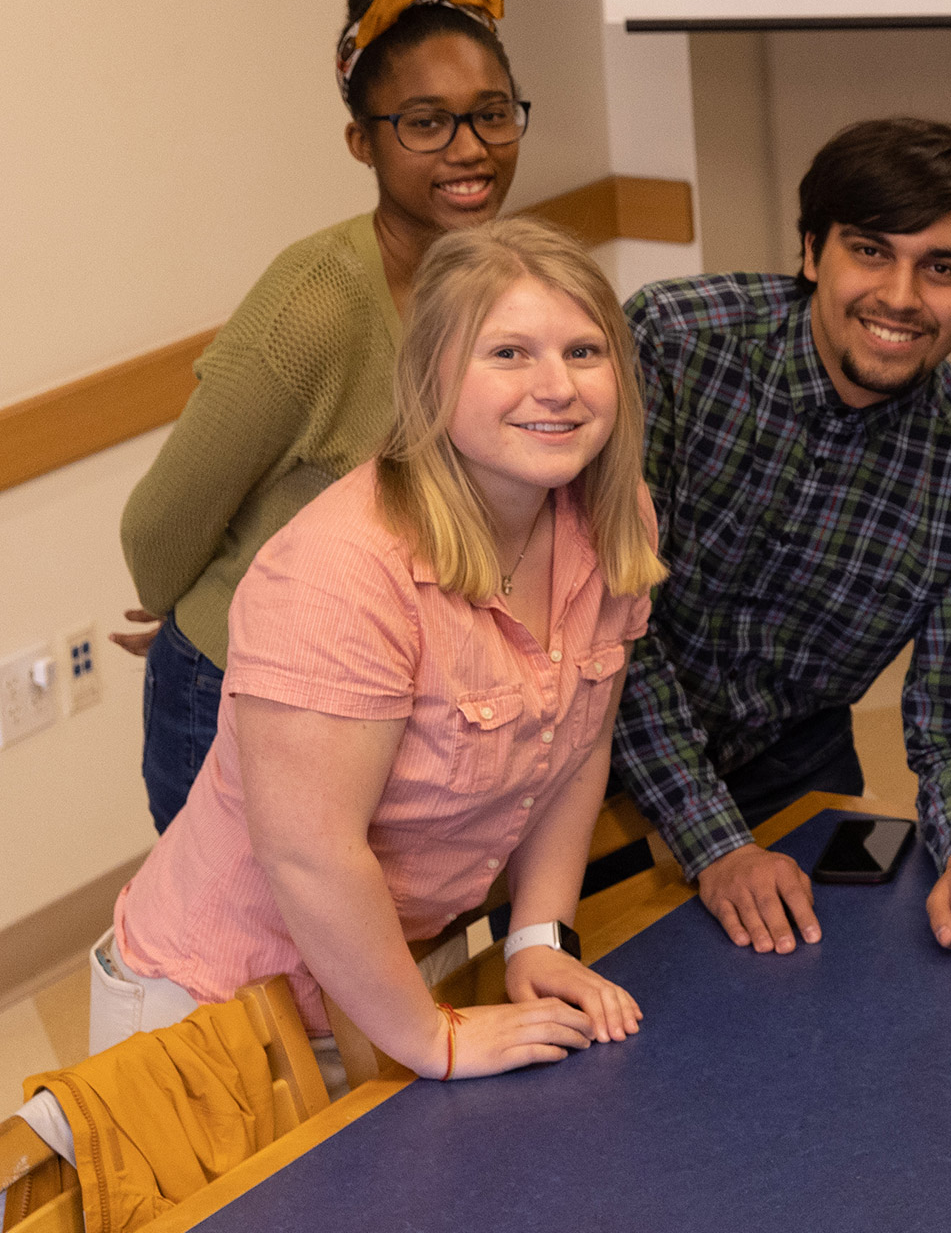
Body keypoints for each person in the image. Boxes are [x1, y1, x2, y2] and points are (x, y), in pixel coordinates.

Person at [92, 219, 653, 1082]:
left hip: (392, 977)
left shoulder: (612, 519)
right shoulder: (340, 572)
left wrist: (539, 932)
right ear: (431, 375)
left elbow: (573, 744)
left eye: (585, 352)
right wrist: (430, 1038)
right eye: (508, 353)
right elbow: (310, 856)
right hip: (221, 1016)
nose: (557, 388)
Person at [616, 118, 951, 958]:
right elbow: (606, 623)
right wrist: (719, 846)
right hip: (591, 762)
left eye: (943, 269)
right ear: (813, 252)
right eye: (871, 251)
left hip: (790, 767)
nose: (901, 297)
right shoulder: (671, 342)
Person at [118, 0, 529, 831]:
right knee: (244, 962)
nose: (470, 149)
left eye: (491, 115)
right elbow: (159, 526)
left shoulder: (506, 279)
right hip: (246, 691)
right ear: (362, 142)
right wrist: (202, 614)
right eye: (425, 123)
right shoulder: (314, 302)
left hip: (397, 688)